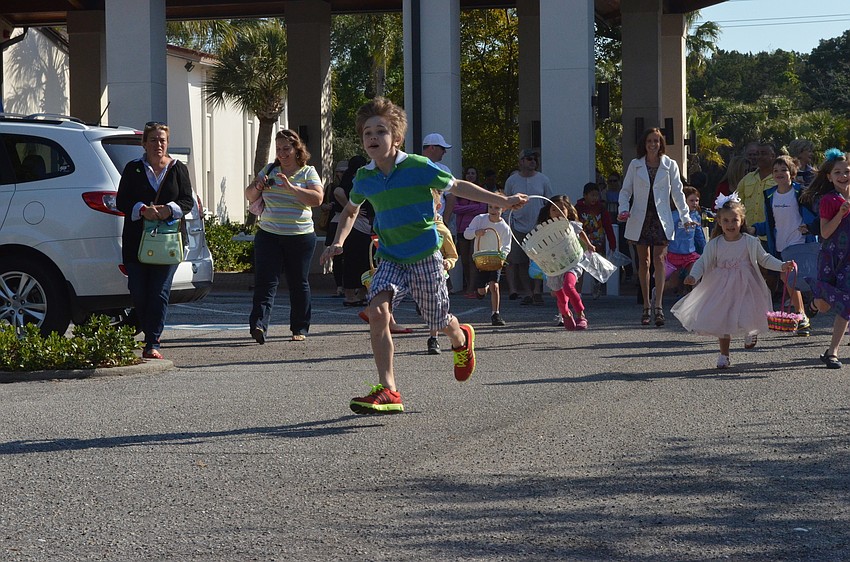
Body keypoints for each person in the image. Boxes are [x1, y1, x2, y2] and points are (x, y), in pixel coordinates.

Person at [320, 97, 527, 415]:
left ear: (396, 138)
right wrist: (338, 242)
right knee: (377, 313)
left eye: (381, 131)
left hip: (425, 256)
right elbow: (350, 210)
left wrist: (503, 198)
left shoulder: (417, 166)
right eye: (367, 133)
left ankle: (460, 339)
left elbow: (457, 186)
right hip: (390, 258)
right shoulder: (365, 177)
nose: (373, 138)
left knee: (437, 319)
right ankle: (388, 389)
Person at [671, 194, 795, 369]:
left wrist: (782, 266)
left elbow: (765, 259)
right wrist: (694, 276)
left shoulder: (750, 242)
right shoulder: (715, 244)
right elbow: (702, 262)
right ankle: (724, 355)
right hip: (721, 287)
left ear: (741, 220)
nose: (730, 225)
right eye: (726, 221)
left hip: (747, 285)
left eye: (734, 220)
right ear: (719, 222)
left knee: (746, 310)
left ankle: (750, 332)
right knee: (724, 320)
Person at [116, 122, 194, 360]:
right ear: (145, 143)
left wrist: (168, 210)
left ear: (167, 143)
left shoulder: (178, 168)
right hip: (136, 241)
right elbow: (122, 201)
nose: (158, 144)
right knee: (138, 291)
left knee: (159, 292)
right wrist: (141, 210)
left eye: (162, 140)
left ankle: (152, 342)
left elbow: (187, 202)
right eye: (153, 140)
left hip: (167, 243)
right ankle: (140, 328)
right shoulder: (133, 169)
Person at [245, 129, 323, 344]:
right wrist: (257, 186)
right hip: (269, 234)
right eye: (278, 149)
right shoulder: (269, 170)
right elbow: (249, 195)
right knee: (265, 282)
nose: (282, 153)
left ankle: (299, 327)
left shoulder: (308, 172)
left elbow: (317, 199)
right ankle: (258, 325)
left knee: (298, 283)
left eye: (286, 149)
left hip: (299, 236)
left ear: (297, 149)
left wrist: (291, 187)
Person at [618, 127, 695, 327]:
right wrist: (623, 209)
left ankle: (658, 305)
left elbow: (678, 193)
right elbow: (625, 191)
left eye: (656, 141)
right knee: (644, 262)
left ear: (661, 144)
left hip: (661, 218)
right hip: (640, 218)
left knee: (660, 260)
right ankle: (645, 305)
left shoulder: (670, 165)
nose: (653, 144)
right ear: (644, 144)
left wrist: (685, 216)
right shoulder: (635, 165)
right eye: (649, 141)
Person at [750, 155, 819, 337]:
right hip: (780, 245)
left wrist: (810, 228)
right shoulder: (770, 194)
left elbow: (814, 215)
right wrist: (755, 228)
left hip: (800, 244)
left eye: (784, 170)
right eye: (776, 171)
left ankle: (805, 312)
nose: (779, 173)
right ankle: (803, 315)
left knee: (793, 279)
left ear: (792, 173)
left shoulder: (800, 192)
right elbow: (771, 224)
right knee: (789, 279)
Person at [805, 149, 850, 369]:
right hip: (831, 258)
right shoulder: (829, 200)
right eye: (838, 172)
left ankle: (832, 352)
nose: (843, 175)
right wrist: (841, 213)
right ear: (829, 177)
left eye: (847, 171)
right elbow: (824, 233)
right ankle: (813, 303)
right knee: (823, 306)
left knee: (847, 305)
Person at [537, 196, 595, 330]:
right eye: (554, 210)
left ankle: (581, 315)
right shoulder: (545, 230)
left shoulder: (572, 225)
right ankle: (565, 314)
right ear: (549, 213)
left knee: (569, 287)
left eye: (561, 209)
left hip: (572, 262)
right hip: (555, 267)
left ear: (568, 210)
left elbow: (581, 233)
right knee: (561, 299)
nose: (557, 212)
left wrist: (589, 244)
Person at [504, 148, 552, 305]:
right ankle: (528, 293)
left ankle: (538, 291)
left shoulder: (543, 179)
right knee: (520, 261)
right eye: (529, 158)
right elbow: (505, 203)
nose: (533, 161)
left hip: (538, 227)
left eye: (535, 159)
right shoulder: (512, 181)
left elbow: (549, 202)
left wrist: (547, 223)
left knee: (538, 260)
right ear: (521, 161)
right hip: (517, 226)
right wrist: (507, 225)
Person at [464, 196, 511, 326]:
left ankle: (495, 313)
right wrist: (476, 232)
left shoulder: (504, 227)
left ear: (503, 208)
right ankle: (481, 289)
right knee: (482, 290)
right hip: (481, 258)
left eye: (496, 207)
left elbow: (507, 245)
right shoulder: (480, 219)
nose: (493, 210)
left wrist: (503, 255)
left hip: (496, 259)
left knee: (494, 285)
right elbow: (466, 234)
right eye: (490, 206)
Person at [335, 155, 371, 307]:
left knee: (364, 260)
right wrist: (350, 208)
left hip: (365, 224)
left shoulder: (358, 178)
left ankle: (362, 293)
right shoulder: (352, 179)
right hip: (357, 225)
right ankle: (351, 294)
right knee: (354, 260)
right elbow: (337, 192)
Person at [575, 182, 617, 299]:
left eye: (596, 195)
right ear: (585, 195)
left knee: (596, 267)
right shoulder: (577, 208)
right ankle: (578, 293)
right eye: (592, 195)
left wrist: (612, 243)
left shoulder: (601, 209)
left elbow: (608, 226)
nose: (594, 198)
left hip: (598, 243)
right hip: (581, 243)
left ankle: (597, 285)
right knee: (580, 268)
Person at [664, 186, 706, 299]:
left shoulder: (696, 216)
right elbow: (667, 232)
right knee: (673, 283)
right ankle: (656, 291)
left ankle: (695, 302)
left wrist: (705, 250)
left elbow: (699, 236)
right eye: (691, 200)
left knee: (694, 277)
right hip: (674, 252)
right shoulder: (674, 215)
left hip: (690, 253)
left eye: (697, 200)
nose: (695, 203)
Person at [454, 166, 488, 297]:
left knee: (472, 259)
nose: (470, 175)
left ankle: (472, 288)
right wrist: (473, 207)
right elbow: (455, 208)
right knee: (464, 261)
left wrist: (465, 208)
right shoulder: (459, 189)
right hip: (461, 229)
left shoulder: (480, 190)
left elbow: (482, 208)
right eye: (468, 173)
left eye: (473, 173)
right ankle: (469, 284)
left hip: (476, 229)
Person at [322, 160, 348, 296]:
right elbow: (322, 204)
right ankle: (339, 287)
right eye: (340, 171)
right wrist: (327, 207)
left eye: (344, 172)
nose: (342, 174)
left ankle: (350, 286)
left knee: (349, 256)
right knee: (336, 256)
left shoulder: (353, 185)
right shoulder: (331, 187)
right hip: (335, 221)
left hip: (349, 222)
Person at [736, 142, 776, 231]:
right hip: (748, 232)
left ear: (772, 156)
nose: (759, 157)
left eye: (763, 154)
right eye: (757, 154)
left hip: (770, 234)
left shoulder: (779, 179)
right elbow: (736, 203)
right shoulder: (747, 178)